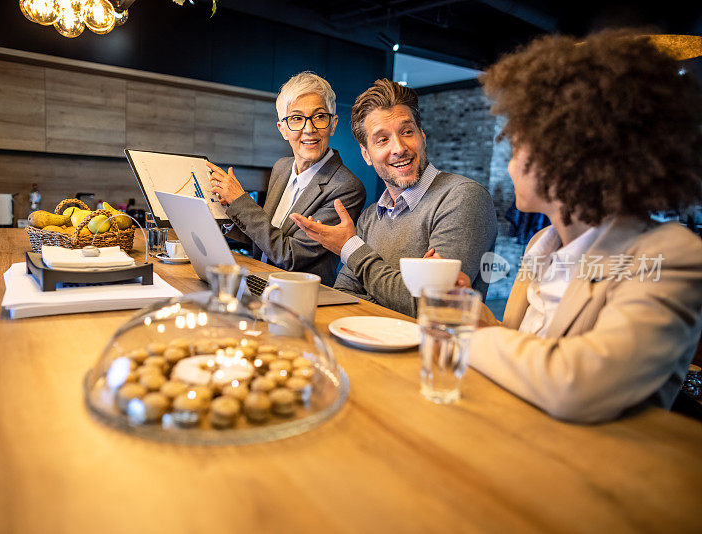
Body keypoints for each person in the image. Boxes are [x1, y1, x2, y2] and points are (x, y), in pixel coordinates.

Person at [461, 29, 702, 423]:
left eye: (518, 144)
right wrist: (478, 318)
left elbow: (577, 383)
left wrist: (473, 336)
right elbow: (523, 352)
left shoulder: (672, 254)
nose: (510, 162)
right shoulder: (542, 243)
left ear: (567, 151)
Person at [291, 79, 497, 317]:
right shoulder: (370, 217)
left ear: (422, 136)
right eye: (382, 139)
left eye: (406, 132)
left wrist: (351, 248)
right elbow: (345, 296)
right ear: (367, 154)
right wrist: (400, 290)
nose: (399, 148)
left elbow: (430, 309)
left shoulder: (462, 198)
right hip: (363, 346)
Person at [207, 72, 366, 286]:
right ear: (283, 129)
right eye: (297, 119)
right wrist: (223, 213)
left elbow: (289, 255)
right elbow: (264, 239)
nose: (308, 129)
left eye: (319, 117)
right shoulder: (282, 167)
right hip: (258, 281)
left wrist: (240, 201)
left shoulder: (346, 187)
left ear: (333, 124)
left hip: (301, 298)